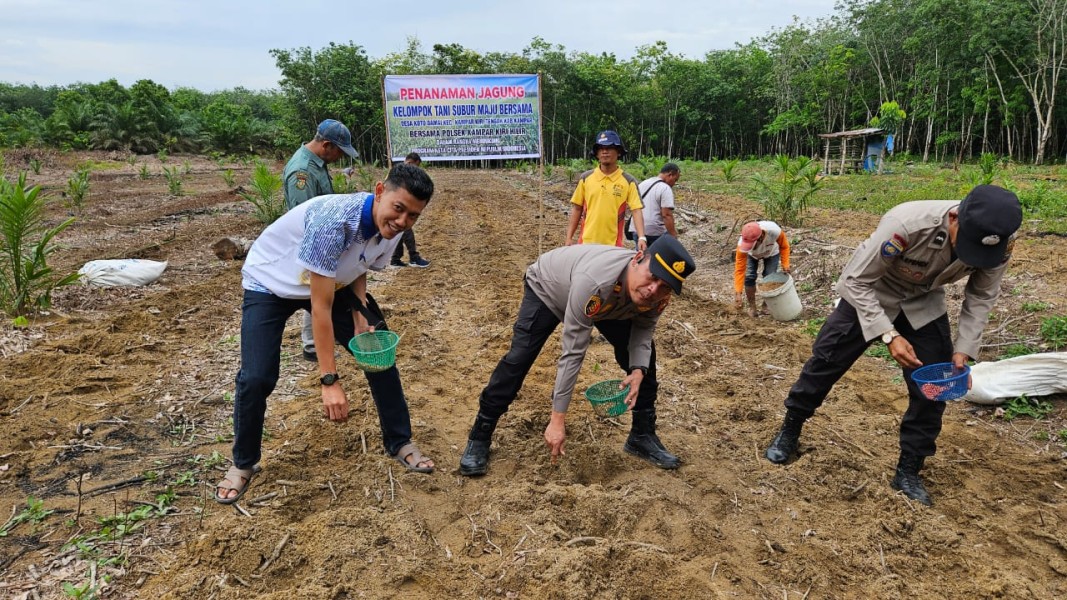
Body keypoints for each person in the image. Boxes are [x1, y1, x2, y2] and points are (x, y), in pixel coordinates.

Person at [762, 185, 1022, 506]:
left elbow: (981, 296)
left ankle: (909, 470)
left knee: (934, 386)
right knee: (825, 361)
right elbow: (856, 280)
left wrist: (964, 347)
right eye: (966, 244)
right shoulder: (908, 224)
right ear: (954, 217)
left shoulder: (1000, 242)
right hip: (872, 292)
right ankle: (790, 429)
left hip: (922, 301)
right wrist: (889, 335)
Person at [214, 164, 437, 505]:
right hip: (272, 282)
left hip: (333, 281)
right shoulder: (334, 222)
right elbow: (320, 308)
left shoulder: (391, 227)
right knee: (257, 376)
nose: (403, 221)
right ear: (379, 192)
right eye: (399, 208)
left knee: (378, 351)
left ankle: (400, 441)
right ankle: (244, 462)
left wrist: (361, 314)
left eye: (413, 216)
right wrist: (329, 380)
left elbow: (361, 265)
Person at [458, 235, 696, 476]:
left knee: (646, 362)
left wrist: (637, 370)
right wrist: (557, 419)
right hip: (549, 287)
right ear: (637, 258)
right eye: (652, 276)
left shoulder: (656, 296)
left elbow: (643, 330)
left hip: (610, 304)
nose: (653, 289)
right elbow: (573, 352)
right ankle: (481, 433)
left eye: (664, 285)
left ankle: (642, 435)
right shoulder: (595, 281)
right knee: (519, 359)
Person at [283, 119, 359, 363]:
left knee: (325, 287)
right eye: (339, 151)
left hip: (324, 236)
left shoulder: (317, 163)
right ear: (326, 145)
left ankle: (325, 334)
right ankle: (312, 345)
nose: (339, 157)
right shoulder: (302, 172)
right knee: (314, 290)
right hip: (312, 240)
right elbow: (303, 215)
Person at [565, 130, 648, 252]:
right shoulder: (586, 178)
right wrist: (569, 237)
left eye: (609, 148)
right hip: (586, 243)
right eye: (601, 148)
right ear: (597, 153)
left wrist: (641, 237)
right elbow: (577, 208)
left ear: (618, 152)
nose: (605, 151)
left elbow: (636, 210)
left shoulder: (628, 181)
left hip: (612, 247)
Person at [733, 220, 791, 317]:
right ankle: (752, 307)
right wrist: (738, 292)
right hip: (752, 256)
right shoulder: (742, 247)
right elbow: (739, 269)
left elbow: (784, 246)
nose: (750, 247)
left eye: (752, 244)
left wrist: (785, 264)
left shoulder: (774, 231)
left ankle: (766, 305)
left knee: (769, 277)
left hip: (772, 253)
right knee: (749, 277)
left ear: (761, 237)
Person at [391, 152, 431, 268]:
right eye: (415, 166)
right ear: (409, 162)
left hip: (398, 208)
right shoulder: (401, 173)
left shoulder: (399, 171)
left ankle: (395, 259)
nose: (415, 169)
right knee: (407, 231)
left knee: (398, 233)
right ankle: (414, 257)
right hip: (399, 208)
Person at [627, 162, 681, 247]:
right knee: (657, 258)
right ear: (670, 175)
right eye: (675, 180)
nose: (674, 183)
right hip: (654, 232)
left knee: (641, 258)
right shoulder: (665, 188)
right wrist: (673, 235)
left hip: (637, 229)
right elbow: (666, 215)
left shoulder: (643, 183)